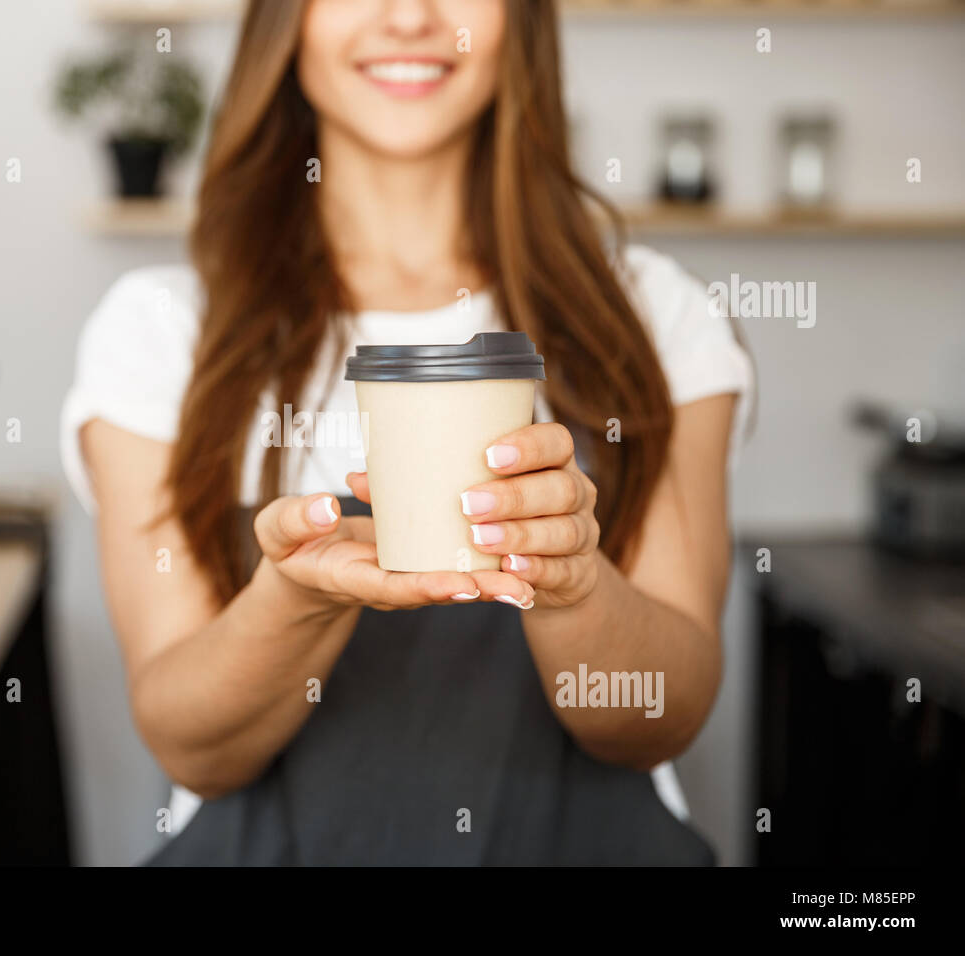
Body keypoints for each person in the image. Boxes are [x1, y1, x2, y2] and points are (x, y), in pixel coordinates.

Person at [61, 0, 753, 865]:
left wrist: (573, 586)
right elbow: (188, 743)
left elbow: (664, 715)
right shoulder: (163, 331)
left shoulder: (653, 317)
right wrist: (294, 601)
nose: (409, 17)